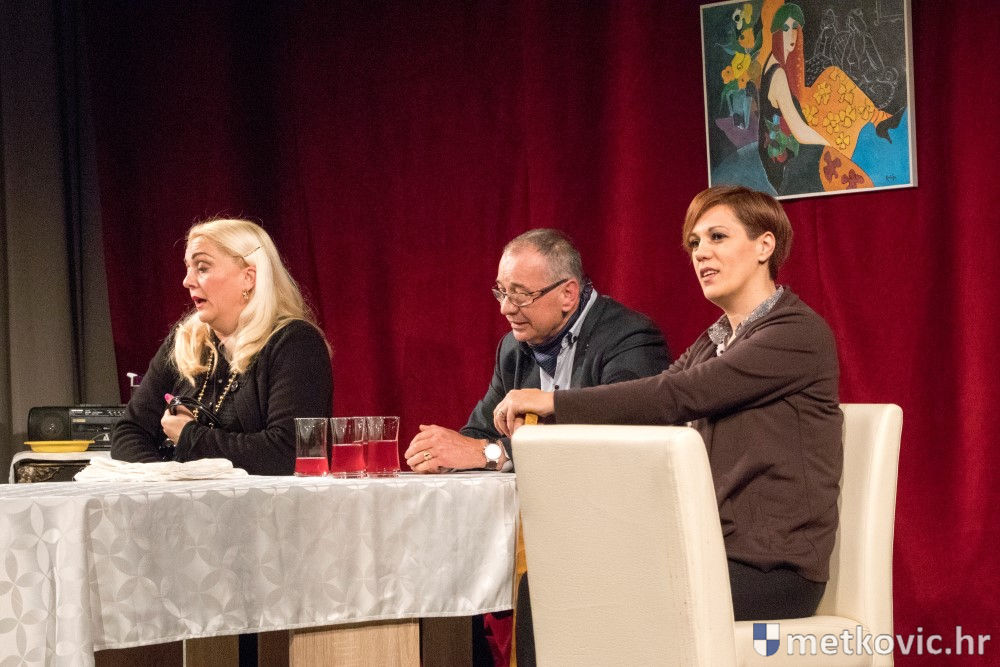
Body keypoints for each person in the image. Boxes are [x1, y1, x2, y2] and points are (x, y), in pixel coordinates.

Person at [494, 186, 842, 621]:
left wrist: (553, 402)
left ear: (764, 245)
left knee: (561, 591)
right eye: (694, 243)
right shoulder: (715, 340)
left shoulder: (796, 332)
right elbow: (658, 395)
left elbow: (677, 395)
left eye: (717, 237)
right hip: (708, 552)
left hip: (772, 572)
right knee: (546, 583)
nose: (701, 253)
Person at [404, 228, 670, 664]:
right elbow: (478, 432)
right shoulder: (514, 348)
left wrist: (492, 455)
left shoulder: (629, 338)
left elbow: (615, 440)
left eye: (521, 294)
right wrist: (450, 452)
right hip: (537, 534)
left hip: (613, 535)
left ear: (568, 294)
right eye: (501, 291)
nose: (506, 308)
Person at [111, 218, 333, 475]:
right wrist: (171, 483)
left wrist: (190, 437)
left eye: (202, 268)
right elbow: (128, 433)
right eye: (188, 268)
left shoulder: (295, 343)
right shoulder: (186, 340)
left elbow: (288, 452)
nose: (187, 281)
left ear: (248, 277)